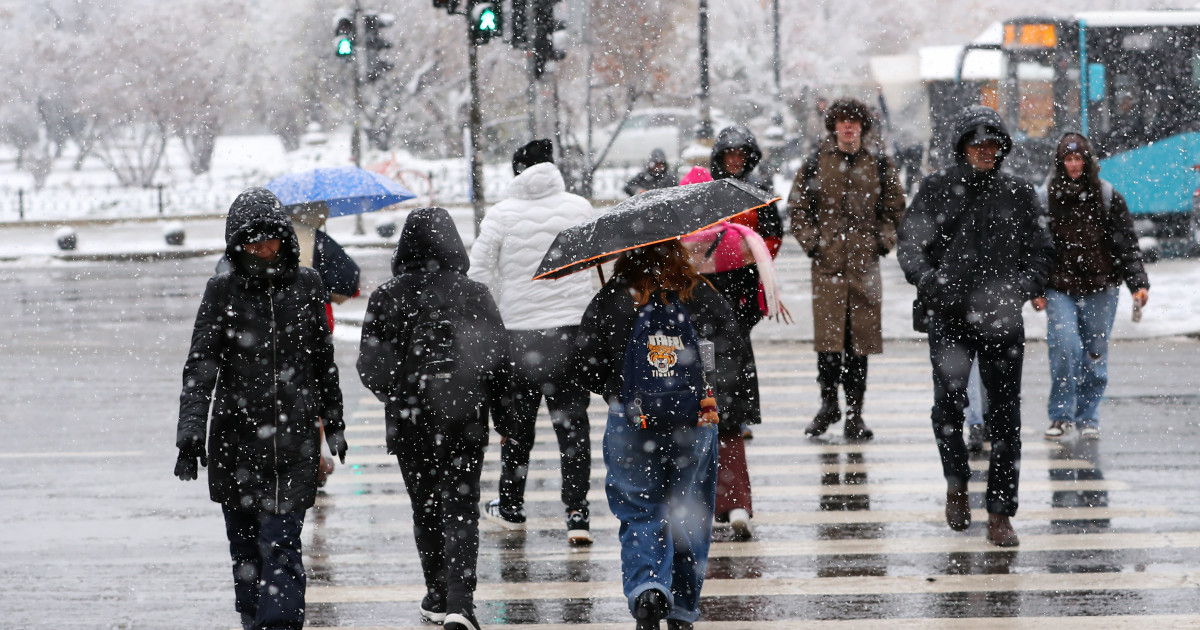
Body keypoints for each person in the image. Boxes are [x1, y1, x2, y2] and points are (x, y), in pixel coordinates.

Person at [175, 187, 346, 630]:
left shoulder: (308, 285)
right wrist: (190, 433)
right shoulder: (222, 291)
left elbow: (323, 362)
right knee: (246, 551)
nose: (263, 248)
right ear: (237, 243)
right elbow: (200, 367)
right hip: (236, 443)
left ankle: (280, 626)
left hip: (292, 445)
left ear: (284, 239)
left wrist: (337, 422)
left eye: (270, 238)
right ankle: (255, 621)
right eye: (253, 240)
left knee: (282, 545)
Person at [576, 241, 759, 630]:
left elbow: (586, 363)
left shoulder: (614, 296)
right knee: (689, 511)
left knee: (640, 508)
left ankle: (648, 587)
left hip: (632, 420)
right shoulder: (701, 293)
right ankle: (681, 608)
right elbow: (733, 353)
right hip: (693, 422)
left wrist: (618, 388)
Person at [898, 105, 1055, 548]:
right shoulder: (936, 189)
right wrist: (931, 282)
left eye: (992, 144)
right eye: (977, 143)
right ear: (962, 147)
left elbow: (1043, 252)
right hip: (949, 318)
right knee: (947, 408)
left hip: (1002, 321)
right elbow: (910, 246)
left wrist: (1019, 289)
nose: (985, 151)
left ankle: (1001, 511)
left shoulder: (1020, 193)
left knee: (1006, 417)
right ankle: (956, 484)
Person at [357, 207, 512, 630]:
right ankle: (462, 603)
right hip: (464, 417)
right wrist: (504, 418)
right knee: (461, 506)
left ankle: (438, 594)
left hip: (411, 424)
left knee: (425, 507)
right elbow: (500, 360)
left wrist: (402, 391)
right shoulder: (473, 293)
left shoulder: (387, 296)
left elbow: (370, 366)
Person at [470, 138, 597, 544]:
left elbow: (478, 272)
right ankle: (577, 513)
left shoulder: (501, 215)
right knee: (573, 426)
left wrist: (495, 310)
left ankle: (511, 506)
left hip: (519, 337)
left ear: (517, 171)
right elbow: (595, 269)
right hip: (571, 333)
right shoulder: (579, 208)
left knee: (516, 427)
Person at [787, 97, 906, 441]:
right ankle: (828, 405)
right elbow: (798, 209)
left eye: (854, 121)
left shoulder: (879, 162)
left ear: (863, 126)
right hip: (828, 267)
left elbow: (895, 207)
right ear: (833, 126)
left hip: (864, 267)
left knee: (859, 345)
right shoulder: (815, 163)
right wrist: (813, 243)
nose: (848, 126)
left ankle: (855, 413)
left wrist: (882, 241)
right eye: (842, 121)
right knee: (828, 344)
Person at [1032, 132, 1150, 440]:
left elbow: (1126, 245)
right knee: (1064, 347)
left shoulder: (1107, 196)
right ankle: (1060, 415)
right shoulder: (1045, 198)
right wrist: (1035, 288)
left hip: (1101, 287)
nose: (1074, 165)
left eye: (1079, 158)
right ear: (1060, 162)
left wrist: (1138, 283)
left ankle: (1087, 416)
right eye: (1068, 159)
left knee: (1095, 355)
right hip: (1059, 287)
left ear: (1088, 161)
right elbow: (1034, 247)